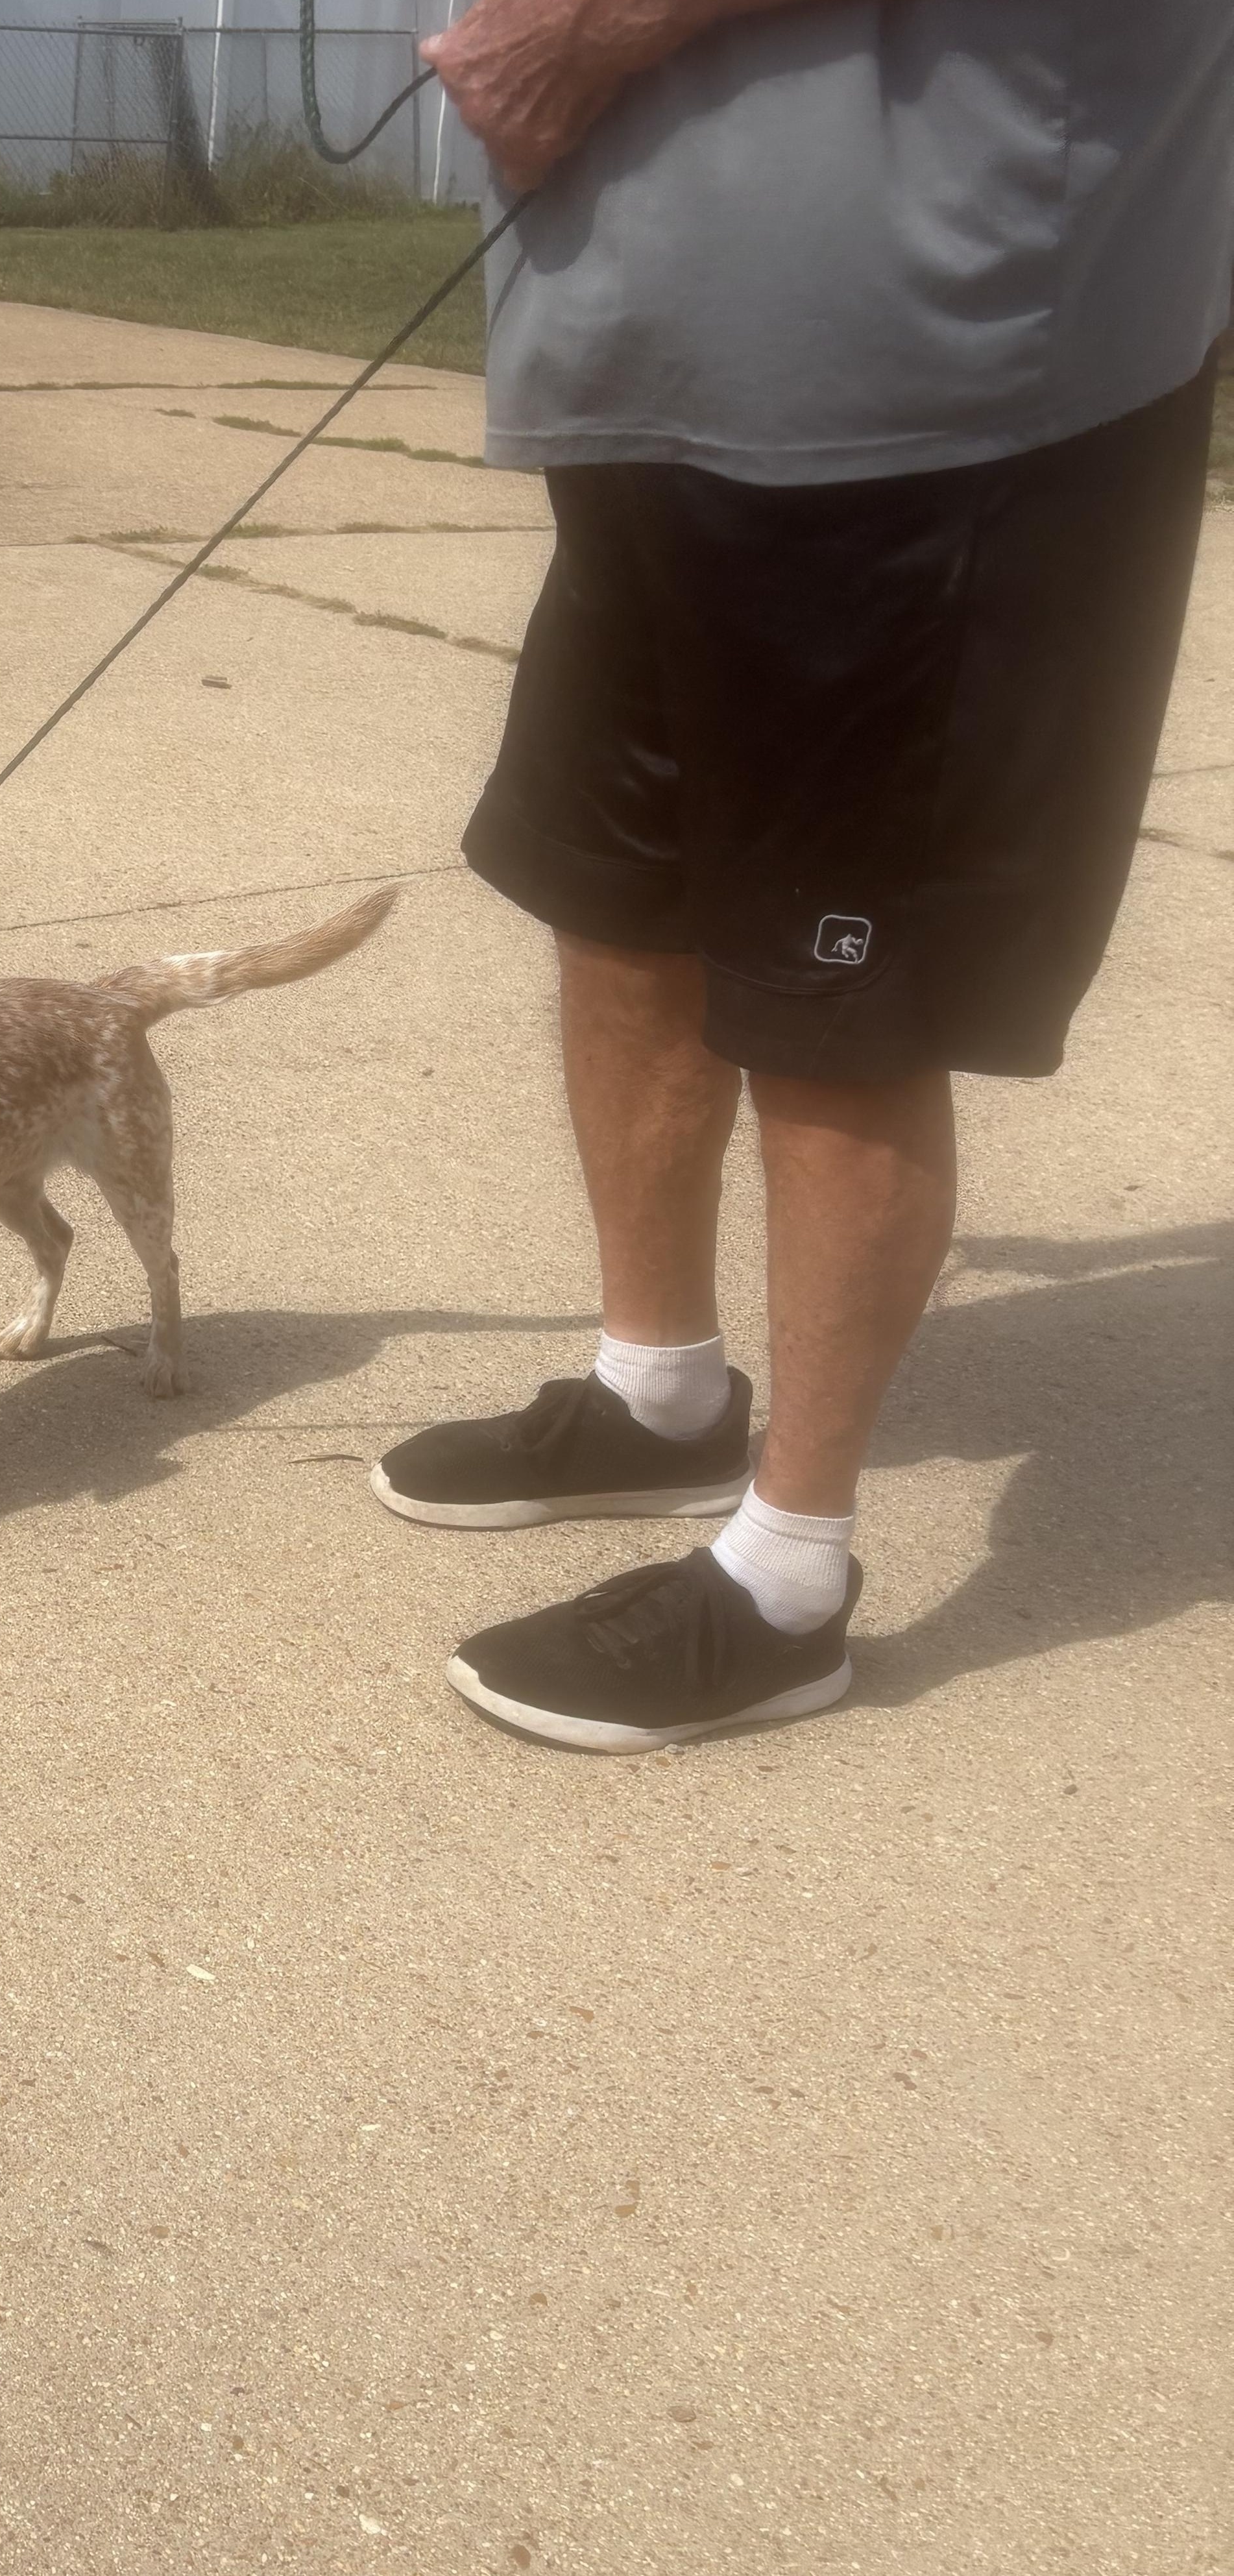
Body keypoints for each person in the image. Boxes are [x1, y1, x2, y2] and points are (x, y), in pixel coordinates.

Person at [372, 0, 1234, 1751]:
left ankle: (785, 1580)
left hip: (930, 379)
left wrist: (600, 31)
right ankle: (658, 1386)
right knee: (617, 894)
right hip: (645, 347)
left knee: (838, 988)